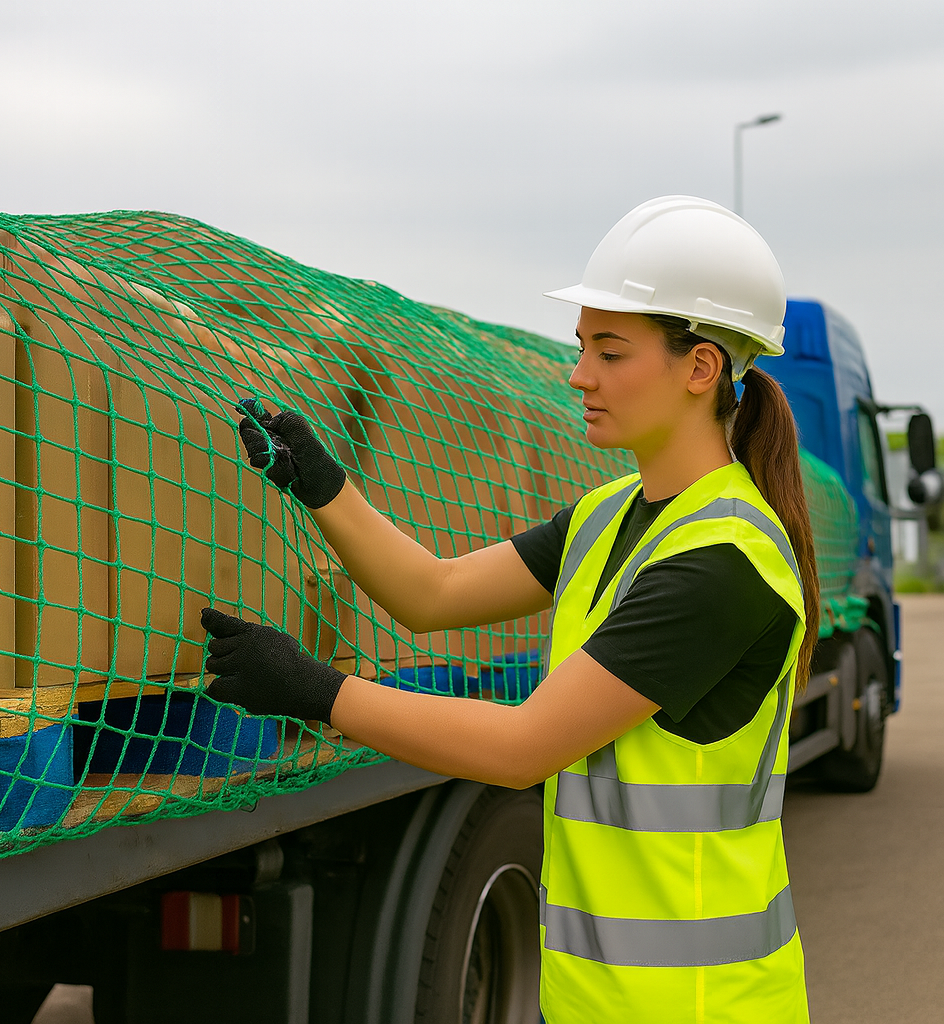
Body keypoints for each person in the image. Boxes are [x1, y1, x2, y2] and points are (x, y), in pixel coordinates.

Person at [200, 195, 818, 1023]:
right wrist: (322, 486)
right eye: (582, 347)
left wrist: (316, 691)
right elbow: (432, 594)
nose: (580, 375)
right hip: (600, 999)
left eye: (610, 352)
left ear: (700, 368)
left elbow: (524, 747)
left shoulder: (724, 562)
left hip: (699, 1003)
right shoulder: (607, 517)